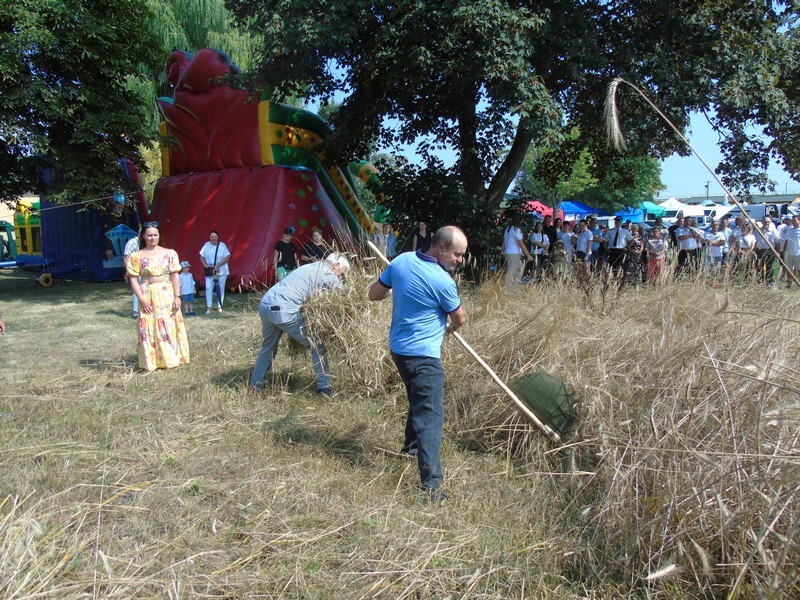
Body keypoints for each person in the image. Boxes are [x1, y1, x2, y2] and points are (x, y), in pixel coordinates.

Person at [368, 226, 468, 504]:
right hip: (424, 357)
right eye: (457, 254)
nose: (459, 260)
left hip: (399, 350)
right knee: (431, 417)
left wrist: (396, 288)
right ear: (439, 248)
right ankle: (432, 486)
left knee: (417, 396)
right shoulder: (442, 281)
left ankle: (411, 448)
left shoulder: (400, 261)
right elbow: (460, 318)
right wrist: (450, 328)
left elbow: (374, 295)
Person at [249, 253, 350, 394]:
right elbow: (347, 295)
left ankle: (255, 385)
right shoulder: (327, 272)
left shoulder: (311, 266)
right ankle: (324, 388)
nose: (339, 277)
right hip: (283, 310)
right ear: (336, 265)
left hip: (266, 304)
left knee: (268, 348)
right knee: (317, 344)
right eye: (341, 273)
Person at [127, 222, 190, 371]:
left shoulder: (170, 253)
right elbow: (133, 279)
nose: (152, 238)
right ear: (143, 236)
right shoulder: (136, 256)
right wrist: (141, 300)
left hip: (166, 293)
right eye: (149, 235)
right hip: (147, 293)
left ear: (159, 235)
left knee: (168, 323)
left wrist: (177, 296)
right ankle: (152, 360)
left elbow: (175, 275)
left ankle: (171, 357)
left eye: (155, 234)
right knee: (149, 324)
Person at [199, 230, 231, 313]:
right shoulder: (206, 245)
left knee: (220, 288)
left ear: (218, 237)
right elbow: (201, 256)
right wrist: (206, 265)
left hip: (222, 270)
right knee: (209, 288)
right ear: (210, 238)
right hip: (210, 270)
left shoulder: (222, 245)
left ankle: (219, 306)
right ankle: (209, 307)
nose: (214, 238)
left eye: (215, 237)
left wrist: (218, 265)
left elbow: (227, 257)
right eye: (212, 237)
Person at [502, 213, 533, 289]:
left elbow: (504, 240)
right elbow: (521, 244)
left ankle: (514, 288)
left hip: (509, 252)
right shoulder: (517, 230)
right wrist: (528, 255)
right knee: (511, 272)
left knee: (518, 270)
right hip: (514, 253)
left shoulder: (508, 229)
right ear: (520, 220)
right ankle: (509, 289)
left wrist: (503, 250)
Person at [753, 216, 779, 284]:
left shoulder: (773, 231)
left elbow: (777, 242)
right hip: (759, 250)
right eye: (765, 222)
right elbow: (754, 241)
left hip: (770, 250)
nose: (767, 223)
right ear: (762, 222)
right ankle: (760, 280)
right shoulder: (757, 231)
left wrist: (778, 252)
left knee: (769, 266)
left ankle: (769, 282)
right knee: (759, 266)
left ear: (770, 222)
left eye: (768, 222)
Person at [123, 229, 141, 318]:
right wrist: (128, 271)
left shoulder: (143, 244)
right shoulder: (132, 242)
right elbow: (126, 257)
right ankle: (135, 311)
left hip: (143, 270)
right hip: (134, 270)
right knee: (136, 290)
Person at [781, 215, 800, 288]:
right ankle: (789, 284)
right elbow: (786, 241)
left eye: (795, 220)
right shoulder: (789, 230)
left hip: (798, 253)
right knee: (789, 269)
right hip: (789, 253)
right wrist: (784, 250)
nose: (793, 221)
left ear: (799, 220)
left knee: (799, 269)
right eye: (793, 220)